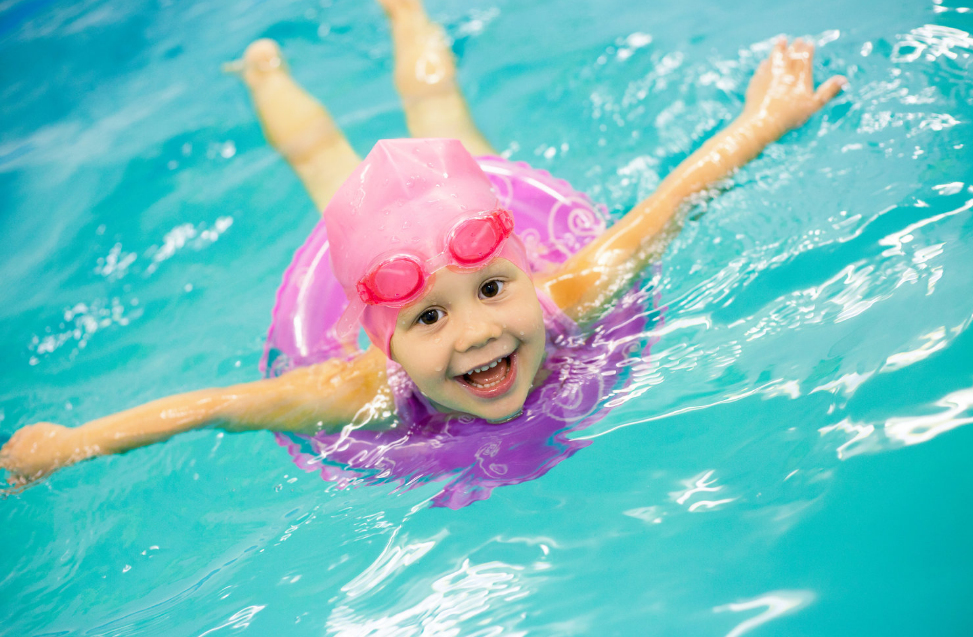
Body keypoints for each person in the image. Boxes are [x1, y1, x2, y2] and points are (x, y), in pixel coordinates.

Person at [0, 0, 845, 493]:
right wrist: (76, 441)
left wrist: (761, 119)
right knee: (324, 165)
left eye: (490, 290)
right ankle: (263, 74)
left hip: (464, 186)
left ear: (526, 276)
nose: (475, 333)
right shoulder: (355, 386)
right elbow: (216, 405)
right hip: (370, 243)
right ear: (387, 342)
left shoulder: (571, 291)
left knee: (440, 105)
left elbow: (671, 201)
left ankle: (403, 7)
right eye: (429, 316)